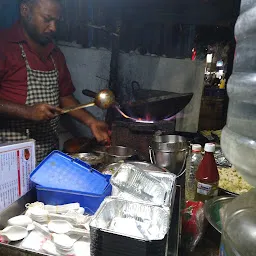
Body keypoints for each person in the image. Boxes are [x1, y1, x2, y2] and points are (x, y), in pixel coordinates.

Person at [0, 0, 110, 163]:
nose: (53, 28)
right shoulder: (4, 45)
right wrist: (28, 112)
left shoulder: (55, 54)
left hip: (48, 157)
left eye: (56, 21)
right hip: (9, 161)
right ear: (25, 10)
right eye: (47, 19)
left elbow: (65, 97)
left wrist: (91, 122)